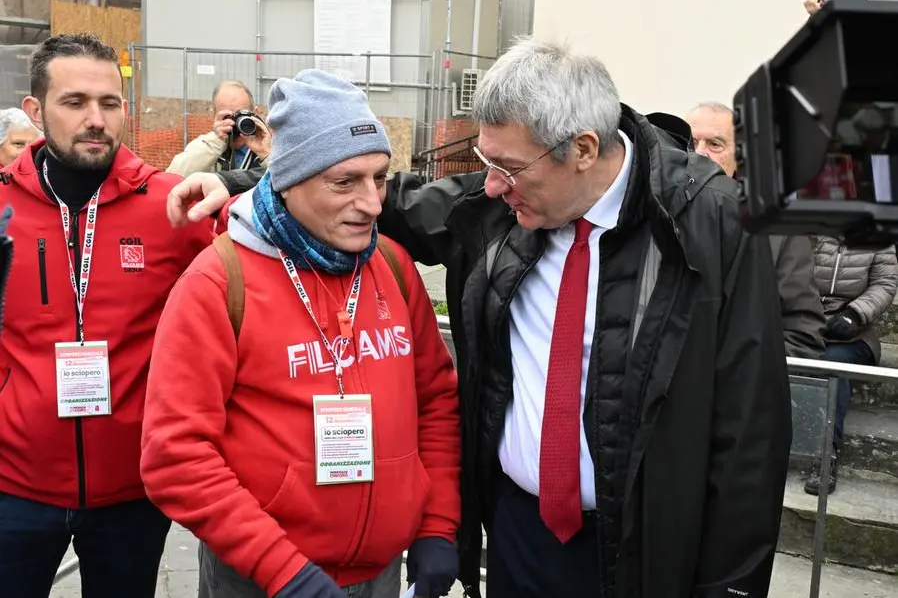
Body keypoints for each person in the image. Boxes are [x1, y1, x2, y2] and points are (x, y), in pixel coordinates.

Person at [167, 37, 793, 598]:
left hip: (647, 549)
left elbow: (751, 429)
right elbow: (361, 194)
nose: (490, 186)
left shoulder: (711, 221)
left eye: (508, 169)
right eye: (485, 162)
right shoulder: (501, 204)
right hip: (521, 535)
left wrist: (731, 585)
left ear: (582, 150)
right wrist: (244, 186)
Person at [141, 69, 461, 598]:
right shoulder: (218, 282)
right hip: (262, 580)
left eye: (379, 178)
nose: (372, 203)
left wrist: (437, 525)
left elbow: (436, 402)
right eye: (345, 182)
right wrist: (284, 572)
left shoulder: (392, 266)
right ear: (289, 181)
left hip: (381, 572)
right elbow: (175, 455)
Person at [0, 33, 213, 598]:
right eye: (74, 102)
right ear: (35, 110)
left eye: (109, 103)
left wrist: (235, 184)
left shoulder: (174, 204)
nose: (95, 119)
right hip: (14, 488)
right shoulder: (2, 207)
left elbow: (270, 243)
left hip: (133, 493)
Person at [686, 101, 826, 357]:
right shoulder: (647, 216)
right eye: (690, 143)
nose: (699, 154)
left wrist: (739, 372)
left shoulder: (781, 233)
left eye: (715, 144)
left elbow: (802, 337)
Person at [807, 237, 897, 495]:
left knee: (832, 363)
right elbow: (791, 274)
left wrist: (855, 313)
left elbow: (884, 284)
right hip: (806, 321)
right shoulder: (814, 233)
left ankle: (826, 453)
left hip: (854, 333)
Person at [166, 80, 271, 176]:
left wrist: (266, 154)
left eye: (241, 116)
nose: (234, 123)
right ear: (214, 115)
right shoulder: (208, 146)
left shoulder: (269, 145)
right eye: (227, 117)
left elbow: (280, 181)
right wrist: (216, 141)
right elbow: (173, 177)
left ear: (255, 113)